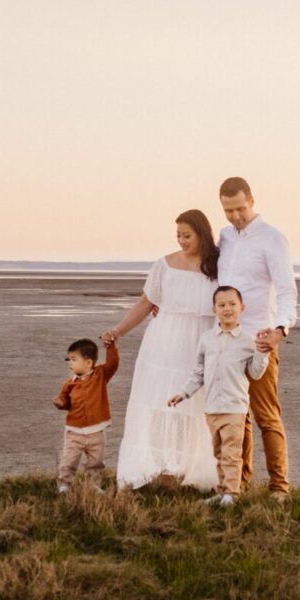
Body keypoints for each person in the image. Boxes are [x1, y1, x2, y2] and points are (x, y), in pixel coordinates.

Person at [103, 210, 220, 490]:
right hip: (165, 342)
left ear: (202, 234)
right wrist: (118, 331)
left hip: (203, 341)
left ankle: (189, 470)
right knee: (160, 404)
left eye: (187, 235)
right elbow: (146, 303)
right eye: (178, 235)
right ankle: (161, 466)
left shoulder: (219, 264)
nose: (181, 240)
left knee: (196, 408)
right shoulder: (164, 265)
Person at [216, 177, 298, 502]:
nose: (235, 216)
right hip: (226, 339)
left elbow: (287, 289)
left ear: (252, 200)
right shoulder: (224, 237)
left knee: (266, 414)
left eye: (239, 208)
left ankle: (280, 487)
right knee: (238, 415)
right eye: (227, 210)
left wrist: (280, 330)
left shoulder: (272, 239)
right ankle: (241, 483)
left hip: (259, 339)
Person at [167, 286, 269, 507]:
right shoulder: (207, 339)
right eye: (222, 305)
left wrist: (263, 352)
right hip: (212, 407)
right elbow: (198, 373)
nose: (227, 309)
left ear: (242, 307)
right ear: (214, 310)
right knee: (219, 453)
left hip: (235, 407)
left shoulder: (247, 341)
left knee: (232, 453)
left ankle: (232, 494)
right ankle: (223, 491)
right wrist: (182, 393)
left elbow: (256, 372)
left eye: (232, 304)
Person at [52, 338, 119, 493]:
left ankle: (93, 485)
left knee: (96, 462)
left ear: (88, 363)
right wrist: (60, 403)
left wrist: (111, 347)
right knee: (69, 460)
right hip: (74, 432)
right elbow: (65, 401)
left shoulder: (100, 376)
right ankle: (64, 484)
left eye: (74, 359)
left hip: (97, 432)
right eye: (69, 359)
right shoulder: (69, 383)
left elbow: (113, 364)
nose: (70, 363)